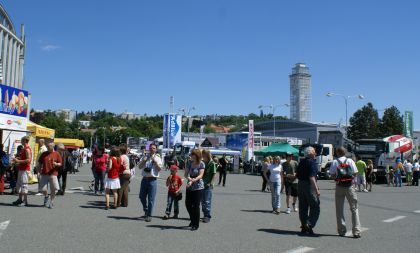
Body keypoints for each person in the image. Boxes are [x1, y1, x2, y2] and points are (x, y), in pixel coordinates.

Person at [329, 147, 361, 238]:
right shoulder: (350, 161)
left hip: (339, 186)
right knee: (354, 209)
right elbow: (355, 172)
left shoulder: (335, 162)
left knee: (339, 209)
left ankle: (342, 230)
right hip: (350, 187)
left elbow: (331, 174)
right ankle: (356, 231)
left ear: (337, 153)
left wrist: (337, 179)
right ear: (345, 152)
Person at [296, 147, 320, 235]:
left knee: (303, 207)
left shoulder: (301, 162)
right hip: (309, 185)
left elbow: (297, 174)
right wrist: (316, 190)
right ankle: (309, 224)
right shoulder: (312, 162)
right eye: (314, 152)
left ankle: (303, 225)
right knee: (315, 206)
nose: (315, 154)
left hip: (300, 184)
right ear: (310, 154)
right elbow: (312, 177)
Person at [138, 143, 162, 222]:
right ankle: (146, 209)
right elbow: (140, 167)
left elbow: (159, 169)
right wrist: (144, 161)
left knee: (151, 199)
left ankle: (149, 215)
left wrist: (155, 163)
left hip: (153, 180)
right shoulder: (145, 157)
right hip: (144, 179)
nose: (152, 149)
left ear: (156, 149)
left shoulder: (158, 158)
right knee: (141, 196)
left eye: (154, 148)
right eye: (151, 148)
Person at [184, 149, 205, 231]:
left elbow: (200, 175)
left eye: (193, 154)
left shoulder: (201, 163)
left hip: (198, 186)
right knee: (188, 204)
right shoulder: (189, 163)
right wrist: (189, 179)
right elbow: (185, 174)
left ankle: (195, 224)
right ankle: (192, 219)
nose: (191, 156)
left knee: (196, 206)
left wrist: (193, 180)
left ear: (197, 156)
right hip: (190, 185)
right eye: (191, 154)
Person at [38, 142, 62, 209]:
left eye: (49, 146)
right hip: (44, 173)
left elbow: (60, 163)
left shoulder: (57, 154)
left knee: (53, 189)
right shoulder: (44, 153)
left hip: (53, 174)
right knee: (43, 189)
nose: (47, 148)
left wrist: (57, 164)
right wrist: (38, 172)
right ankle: (46, 196)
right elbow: (39, 163)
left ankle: (51, 202)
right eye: (47, 146)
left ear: (53, 147)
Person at [12, 136, 32, 207]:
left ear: (25, 140)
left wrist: (18, 160)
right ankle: (20, 199)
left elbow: (28, 160)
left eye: (22, 140)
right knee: (20, 185)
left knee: (24, 185)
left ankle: (25, 201)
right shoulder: (24, 149)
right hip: (21, 169)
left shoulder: (27, 149)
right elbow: (24, 159)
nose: (21, 141)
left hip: (25, 170)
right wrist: (17, 159)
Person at [201, 149, 217, 223]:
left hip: (207, 185)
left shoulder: (212, 163)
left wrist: (211, 183)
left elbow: (214, 174)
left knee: (207, 201)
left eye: (203, 155)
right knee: (202, 201)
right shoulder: (203, 162)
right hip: (201, 184)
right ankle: (204, 214)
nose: (202, 156)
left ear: (207, 155)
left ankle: (207, 216)